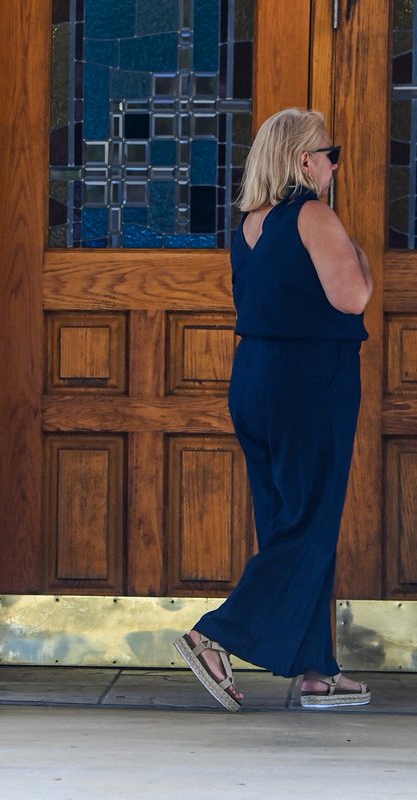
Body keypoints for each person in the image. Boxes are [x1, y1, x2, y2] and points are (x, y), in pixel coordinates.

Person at [174, 108, 373, 711]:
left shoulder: (251, 223)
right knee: (310, 524)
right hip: (310, 380)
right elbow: (353, 296)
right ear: (305, 160)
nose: (335, 165)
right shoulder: (314, 215)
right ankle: (215, 634)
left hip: (256, 377)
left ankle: (316, 668)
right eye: (331, 154)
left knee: (290, 522)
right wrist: (359, 254)